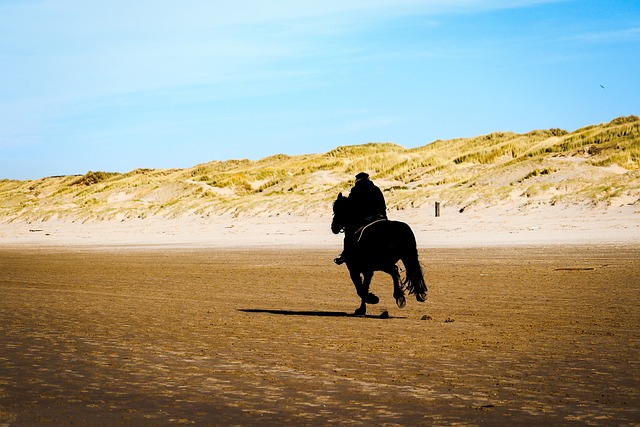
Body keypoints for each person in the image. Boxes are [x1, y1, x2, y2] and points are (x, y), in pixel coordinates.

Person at [334, 172, 387, 265]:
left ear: (357, 180)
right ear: (368, 179)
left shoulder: (356, 190)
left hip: (366, 217)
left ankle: (345, 255)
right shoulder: (376, 189)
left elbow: (352, 206)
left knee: (349, 236)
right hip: (381, 216)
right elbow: (383, 205)